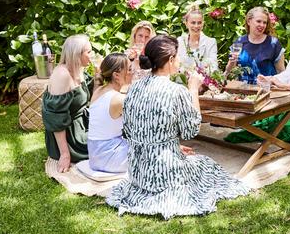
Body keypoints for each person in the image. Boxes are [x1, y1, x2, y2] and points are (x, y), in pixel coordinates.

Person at [106, 35, 249, 219]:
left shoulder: (134, 87)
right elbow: (191, 130)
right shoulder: (176, 91)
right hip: (165, 172)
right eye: (178, 56)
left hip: (138, 171)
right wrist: (193, 89)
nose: (180, 60)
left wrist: (172, 145)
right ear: (171, 60)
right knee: (206, 165)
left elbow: (132, 130)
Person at [41, 34, 96, 173]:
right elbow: (55, 117)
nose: (92, 55)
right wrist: (65, 154)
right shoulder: (62, 75)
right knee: (106, 145)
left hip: (83, 123)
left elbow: (92, 97)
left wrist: (99, 74)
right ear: (76, 54)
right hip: (70, 135)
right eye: (88, 52)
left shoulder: (78, 68)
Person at [87, 53, 132, 173]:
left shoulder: (98, 90)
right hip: (110, 158)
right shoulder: (118, 99)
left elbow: (98, 81)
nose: (132, 73)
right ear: (116, 75)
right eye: (129, 69)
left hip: (95, 156)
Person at [225, 6, 285, 84]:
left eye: (265, 22)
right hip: (243, 91)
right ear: (249, 21)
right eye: (258, 21)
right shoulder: (239, 42)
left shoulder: (273, 43)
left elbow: (281, 72)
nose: (262, 25)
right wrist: (231, 62)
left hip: (267, 91)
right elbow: (229, 72)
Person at [176, 4, 218, 71]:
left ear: (203, 24)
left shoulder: (211, 42)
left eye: (199, 23)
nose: (196, 26)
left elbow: (214, 67)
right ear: (186, 24)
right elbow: (176, 65)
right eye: (193, 23)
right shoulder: (180, 41)